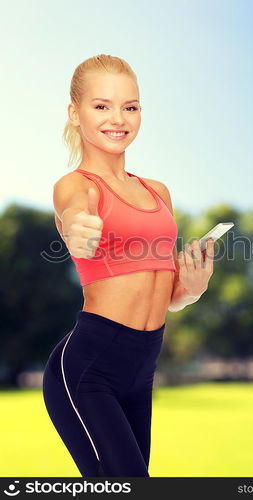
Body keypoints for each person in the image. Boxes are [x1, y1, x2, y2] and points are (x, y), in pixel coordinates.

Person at [42, 54, 215, 477]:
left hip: (143, 368)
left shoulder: (157, 192)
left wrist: (191, 288)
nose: (118, 118)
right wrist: (77, 228)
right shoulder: (76, 185)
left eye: (130, 107)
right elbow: (72, 214)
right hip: (89, 368)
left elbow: (167, 295)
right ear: (75, 113)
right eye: (101, 106)